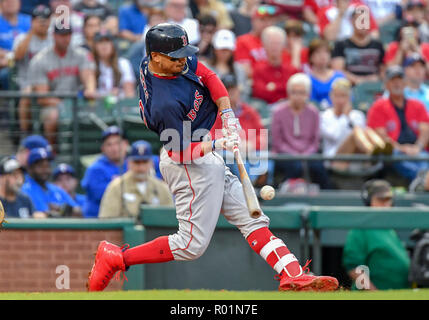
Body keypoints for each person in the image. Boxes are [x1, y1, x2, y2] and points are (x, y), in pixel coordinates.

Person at [87, 23, 339, 292]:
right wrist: (217, 143)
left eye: (185, 53)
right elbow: (179, 153)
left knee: (252, 218)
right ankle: (117, 258)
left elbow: (209, 76)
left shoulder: (169, 58)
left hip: (202, 146)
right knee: (190, 245)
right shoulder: (164, 103)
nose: (184, 61)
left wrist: (227, 113)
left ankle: (293, 274)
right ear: (156, 57)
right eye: (177, 57)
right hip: (186, 161)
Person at [28, 22, 97, 146]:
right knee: (53, 115)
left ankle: (88, 148)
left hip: (78, 100)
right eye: (62, 35)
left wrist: (90, 89)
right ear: (54, 35)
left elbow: (88, 76)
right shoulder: (40, 59)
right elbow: (43, 97)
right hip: (53, 104)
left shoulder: (81, 54)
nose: (65, 38)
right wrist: (65, 104)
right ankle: (52, 149)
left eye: (68, 34)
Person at [343, 179, 411, 290]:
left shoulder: (389, 228)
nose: (386, 204)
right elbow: (354, 268)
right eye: (381, 200)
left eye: (388, 200)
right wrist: (374, 293)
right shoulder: (360, 229)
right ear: (369, 201)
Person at [367, 65, 429, 182]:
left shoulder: (417, 105)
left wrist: (418, 147)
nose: (397, 83)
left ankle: (422, 180)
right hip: (394, 151)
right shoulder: (378, 107)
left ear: (405, 83)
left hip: (417, 150)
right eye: (392, 80)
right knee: (393, 156)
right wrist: (402, 148)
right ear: (386, 84)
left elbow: (425, 130)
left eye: (399, 80)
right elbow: (381, 137)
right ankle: (421, 180)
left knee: (424, 158)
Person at [271, 73, 332, 189]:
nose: (298, 96)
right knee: (295, 165)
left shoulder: (314, 113)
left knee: (318, 167)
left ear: (308, 94)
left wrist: (305, 154)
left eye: (302, 93)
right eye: (294, 92)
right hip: (284, 154)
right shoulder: (278, 112)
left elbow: (315, 141)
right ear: (289, 94)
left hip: (308, 153)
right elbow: (278, 143)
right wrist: (295, 154)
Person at [210, 73, 271, 184]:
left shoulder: (249, 111)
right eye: (228, 89)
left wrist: (251, 144)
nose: (231, 92)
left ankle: (261, 192)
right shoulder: (215, 113)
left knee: (266, 160)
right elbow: (211, 136)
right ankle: (249, 189)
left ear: (238, 90)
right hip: (227, 151)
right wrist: (230, 144)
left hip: (249, 150)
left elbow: (262, 135)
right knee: (235, 159)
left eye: (234, 88)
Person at [320, 78, 388, 170]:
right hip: (334, 158)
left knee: (366, 131)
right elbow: (335, 136)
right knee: (356, 132)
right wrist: (345, 117)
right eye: (337, 96)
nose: (340, 100)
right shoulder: (324, 116)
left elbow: (363, 137)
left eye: (343, 96)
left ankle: (380, 148)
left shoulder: (358, 115)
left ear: (349, 98)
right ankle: (374, 151)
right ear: (331, 96)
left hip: (356, 156)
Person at [99, 140, 173, 218]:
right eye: (137, 162)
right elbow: (106, 220)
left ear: (151, 163)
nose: (141, 167)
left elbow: (170, 219)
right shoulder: (117, 187)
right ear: (129, 163)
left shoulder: (162, 188)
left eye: (144, 162)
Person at [13, 5, 52, 134]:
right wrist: (31, 32)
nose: (43, 22)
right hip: (27, 82)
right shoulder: (22, 38)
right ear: (32, 21)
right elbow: (17, 56)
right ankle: (24, 134)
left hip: (50, 83)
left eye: (45, 19)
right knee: (26, 96)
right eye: (39, 19)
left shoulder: (54, 39)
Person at [81, 126, 127, 218]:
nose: (114, 148)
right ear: (103, 148)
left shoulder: (133, 164)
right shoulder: (95, 169)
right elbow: (104, 196)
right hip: (98, 224)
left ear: (126, 144)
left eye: (118, 143)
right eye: (109, 144)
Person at [331, 6, 385, 85]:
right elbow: (338, 71)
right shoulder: (341, 44)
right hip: (349, 87)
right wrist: (357, 80)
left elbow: (383, 70)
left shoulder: (378, 45)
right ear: (352, 21)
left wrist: (377, 77)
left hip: (373, 87)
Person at [21, 147, 81, 218]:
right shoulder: (25, 190)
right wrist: (59, 211)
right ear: (30, 168)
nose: (45, 170)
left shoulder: (55, 189)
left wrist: (61, 209)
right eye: (40, 166)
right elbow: (39, 216)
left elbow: (78, 211)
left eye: (47, 166)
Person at [251, 26, 299, 105]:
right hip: (267, 108)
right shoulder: (258, 69)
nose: (274, 47)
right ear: (264, 46)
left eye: (278, 43)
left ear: (283, 46)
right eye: (271, 43)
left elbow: (296, 91)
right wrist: (284, 87)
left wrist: (274, 87)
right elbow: (260, 93)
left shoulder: (291, 69)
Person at [234, 4, 277, 78]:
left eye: (270, 20)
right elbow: (246, 71)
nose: (267, 23)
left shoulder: (277, 40)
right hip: (254, 85)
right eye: (262, 20)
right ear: (253, 21)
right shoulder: (243, 41)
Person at [92, 30, 136, 99]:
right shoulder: (91, 65)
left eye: (107, 41)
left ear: (113, 45)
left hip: (121, 106)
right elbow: (90, 93)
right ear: (95, 46)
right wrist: (108, 95)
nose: (104, 45)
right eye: (100, 42)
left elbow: (129, 93)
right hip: (98, 107)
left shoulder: (123, 63)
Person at [0, 0, 31, 90]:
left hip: (27, 61)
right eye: (8, 1)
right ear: (1, 4)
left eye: (14, 1)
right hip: (6, 65)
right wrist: (10, 56)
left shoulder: (28, 21)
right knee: (6, 75)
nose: (11, 4)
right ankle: (10, 103)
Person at [308, 38, 345, 108]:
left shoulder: (339, 77)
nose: (323, 56)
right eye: (318, 52)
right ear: (311, 57)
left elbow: (347, 101)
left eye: (326, 52)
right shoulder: (307, 80)